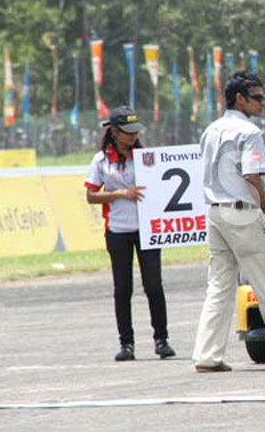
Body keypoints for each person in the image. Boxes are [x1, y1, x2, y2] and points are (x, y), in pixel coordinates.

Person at [193, 71, 265, 372]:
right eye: (257, 97)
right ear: (240, 99)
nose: (262, 102)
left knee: (219, 286)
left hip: (215, 212)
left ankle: (207, 355)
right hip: (242, 213)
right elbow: (251, 178)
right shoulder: (249, 132)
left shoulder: (210, 130)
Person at [84, 106, 175, 362]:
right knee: (123, 289)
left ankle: (161, 340)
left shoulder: (147, 157)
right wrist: (120, 194)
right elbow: (91, 195)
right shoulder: (100, 160)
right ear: (114, 131)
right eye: (127, 132)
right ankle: (126, 344)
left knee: (154, 286)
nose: (133, 136)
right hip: (117, 231)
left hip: (148, 230)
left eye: (135, 131)